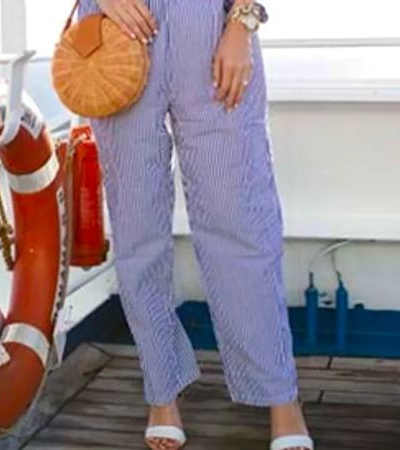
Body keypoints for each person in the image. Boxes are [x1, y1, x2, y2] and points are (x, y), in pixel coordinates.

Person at [76, 0, 313, 449]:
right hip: (116, 26)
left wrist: (242, 25)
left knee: (242, 225)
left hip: (209, 25)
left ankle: (281, 396)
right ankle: (161, 391)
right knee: (136, 230)